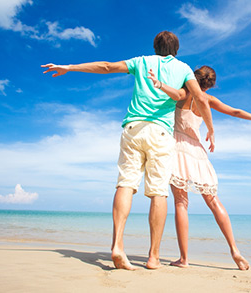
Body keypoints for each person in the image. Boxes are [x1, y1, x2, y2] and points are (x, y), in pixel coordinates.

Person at [41, 31, 215, 270]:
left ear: (155, 47)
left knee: (125, 184)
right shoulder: (184, 68)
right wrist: (211, 130)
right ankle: (153, 257)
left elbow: (106, 66)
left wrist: (69, 67)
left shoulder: (141, 61)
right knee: (158, 193)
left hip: (132, 128)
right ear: (176, 49)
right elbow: (201, 99)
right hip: (161, 133)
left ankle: (118, 246)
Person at [148, 65, 251, 270]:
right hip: (198, 153)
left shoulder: (182, 94)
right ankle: (234, 249)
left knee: (181, 203)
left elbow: (166, 96)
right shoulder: (207, 100)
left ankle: (184, 258)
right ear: (210, 85)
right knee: (214, 201)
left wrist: (159, 83)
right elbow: (235, 111)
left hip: (177, 149)